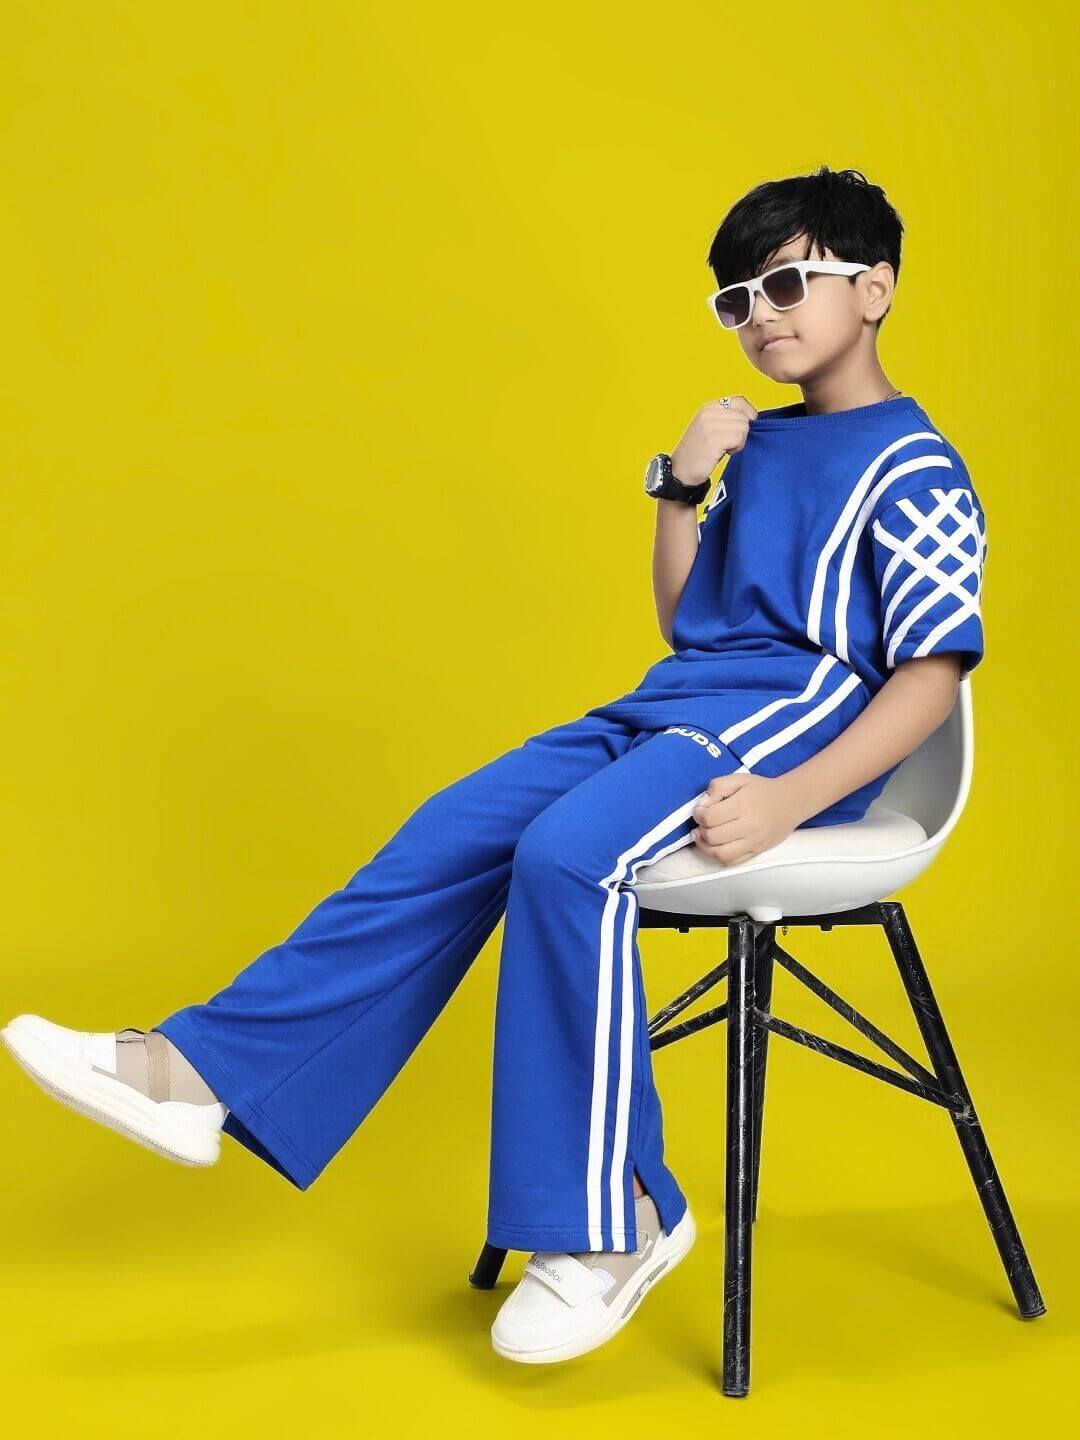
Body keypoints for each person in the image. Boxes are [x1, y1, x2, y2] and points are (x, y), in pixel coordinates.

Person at [1, 164, 986, 1366]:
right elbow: (689, 625)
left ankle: (620, 1222)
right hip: (675, 702)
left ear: (873, 287)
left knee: (568, 857)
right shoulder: (756, 445)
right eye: (735, 298)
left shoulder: (917, 465)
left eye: (787, 281)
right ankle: (200, 1073)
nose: (761, 313)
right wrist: (679, 488)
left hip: (788, 724)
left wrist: (787, 801)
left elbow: (929, 677)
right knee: (454, 824)